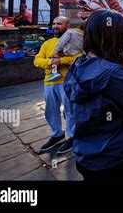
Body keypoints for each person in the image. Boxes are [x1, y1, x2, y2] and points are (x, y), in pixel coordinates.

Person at [63, 10, 123, 182]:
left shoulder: (79, 64)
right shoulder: (114, 75)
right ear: (113, 37)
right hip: (115, 157)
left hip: (87, 153)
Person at [34, 16, 78, 155]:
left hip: (67, 81)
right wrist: (50, 63)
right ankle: (57, 133)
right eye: (54, 23)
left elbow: (79, 58)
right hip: (49, 81)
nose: (55, 26)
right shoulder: (47, 43)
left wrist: (62, 61)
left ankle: (72, 135)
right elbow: (37, 60)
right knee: (50, 110)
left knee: (69, 110)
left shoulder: (74, 41)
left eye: (59, 23)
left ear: (67, 25)